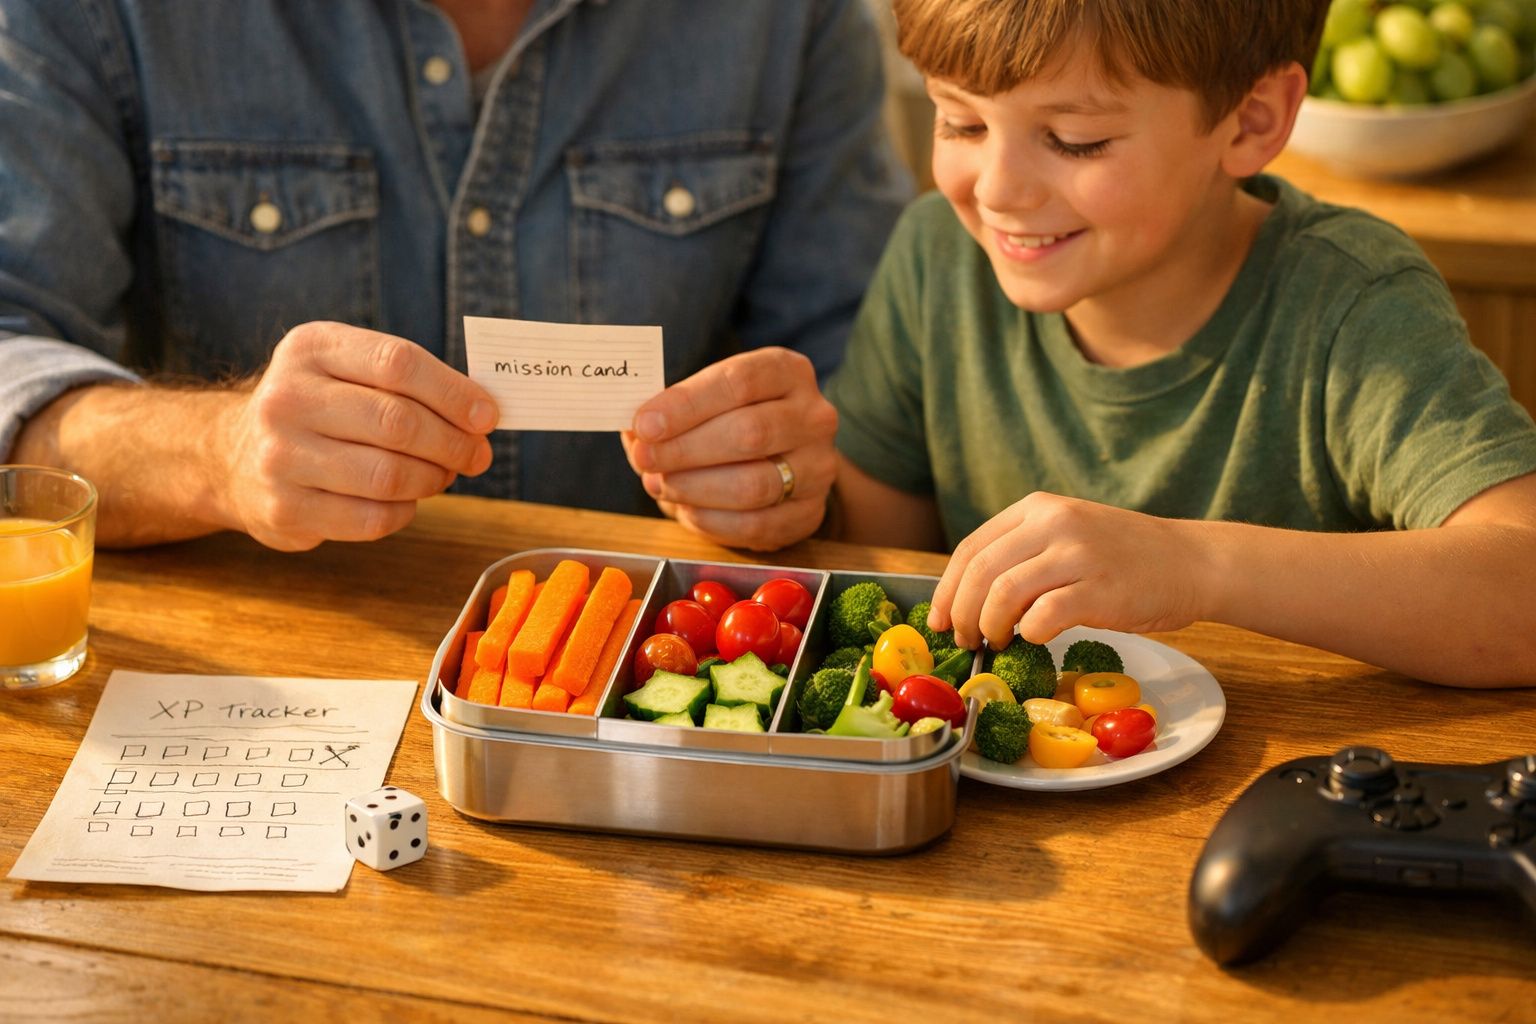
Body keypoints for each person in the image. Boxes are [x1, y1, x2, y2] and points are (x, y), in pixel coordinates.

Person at [0, 0, 910, 552]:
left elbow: (867, 383)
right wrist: (217, 453)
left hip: (642, 662)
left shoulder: (790, 20)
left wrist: (786, 476)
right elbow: (13, 362)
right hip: (262, 674)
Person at [812, 0, 1536, 687]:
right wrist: (776, 493)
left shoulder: (1351, 304)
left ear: (1251, 121)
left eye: (1075, 140)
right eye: (960, 123)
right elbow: (880, 559)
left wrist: (1194, 564)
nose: (998, 189)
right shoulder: (937, 254)